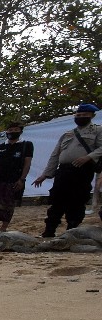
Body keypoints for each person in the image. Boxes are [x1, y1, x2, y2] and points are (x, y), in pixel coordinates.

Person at [32, 102, 102, 237]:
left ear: (92, 116)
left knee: (77, 200)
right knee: (57, 200)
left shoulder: (98, 130)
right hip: (64, 170)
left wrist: (88, 157)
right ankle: (49, 230)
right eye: (78, 114)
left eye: (84, 115)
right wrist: (45, 174)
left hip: (82, 170)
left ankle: (71, 230)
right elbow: (55, 154)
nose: (80, 117)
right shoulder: (68, 133)